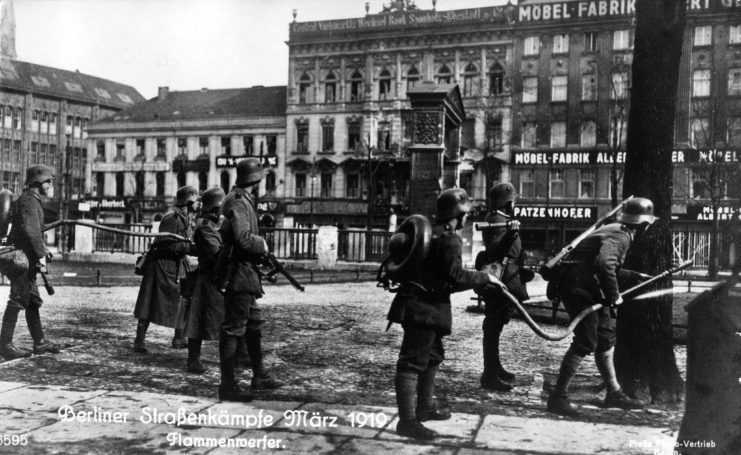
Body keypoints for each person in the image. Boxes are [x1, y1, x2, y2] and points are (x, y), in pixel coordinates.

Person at [387, 188, 501, 440]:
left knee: (434, 355)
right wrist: (486, 277)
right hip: (424, 309)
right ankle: (407, 422)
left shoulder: (431, 234)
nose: (467, 219)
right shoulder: (449, 239)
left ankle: (425, 406)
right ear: (458, 214)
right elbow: (456, 277)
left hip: (420, 305)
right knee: (411, 363)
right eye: (466, 214)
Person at [547, 197, 656, 417]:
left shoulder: (618, 229)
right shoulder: (621, 234)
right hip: (578, 288)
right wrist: (615, 296)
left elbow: (606, 266)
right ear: (643, 224)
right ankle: (558, 397)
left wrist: (634, 276)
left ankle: (614, 392)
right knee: (586, 340)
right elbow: (604, 264)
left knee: (605, 336)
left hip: (589, 285)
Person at [216, 158, 283, 402]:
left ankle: (260, 376)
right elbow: (243, 239)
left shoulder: (241, 199)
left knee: (253, 325)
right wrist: (262, 244)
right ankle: (228, 386)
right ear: (254, 180)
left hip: (245, 273)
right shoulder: (237, 202)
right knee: (233, 329)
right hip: (238, 274)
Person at [0, 165, 60, 360]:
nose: (51, 185)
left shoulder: (31, 200)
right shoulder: (29, 201)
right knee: (17, 299)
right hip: (22, 260)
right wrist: (43, 251)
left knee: (32, 301)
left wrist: (42, 254)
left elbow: (33, 233)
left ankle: (40, 342)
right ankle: (5, 345)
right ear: (39, 181)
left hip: (28, 259)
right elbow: (31, 231)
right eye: (48, 181)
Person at [476, 183, 531, 392]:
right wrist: (510, 234)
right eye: (514, 201)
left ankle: (495, 367)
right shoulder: (497, 221)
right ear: (509, 202)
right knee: (492, 326)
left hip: (507, 278)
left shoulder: (500, 219)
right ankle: (489, 375)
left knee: (496, 326)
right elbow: (496, 251)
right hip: (500, 281)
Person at [133, 185, 198, 353]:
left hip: (174, 265)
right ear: (188, 201)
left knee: (182, 301)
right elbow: (164, 243)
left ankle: (178, 339)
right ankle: (139, 341)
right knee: (148, 303)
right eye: (195, 201)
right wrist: (190, 248)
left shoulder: (184, 216)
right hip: (161, 265)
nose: (197, 204)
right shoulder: (173, 217)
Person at [183, 187, 226, 374]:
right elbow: (216, 252)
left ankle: (241, 355)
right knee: (197, 320)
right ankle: (193, 360)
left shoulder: (211, 224)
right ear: (216, 208)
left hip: (213, 277)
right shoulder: (205, 226)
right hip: (208, 278)